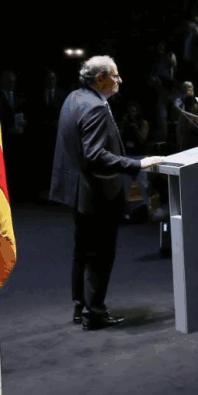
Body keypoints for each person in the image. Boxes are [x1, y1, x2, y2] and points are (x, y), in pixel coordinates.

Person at [49, 56, 165, 330]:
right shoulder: (96, 109)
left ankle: (81, 306)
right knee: (100, 255)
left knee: (82, 251)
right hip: (97, 193)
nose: (119, 80)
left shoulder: (74, 98)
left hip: (78, 191)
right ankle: (95, 314)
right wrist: (137, 164)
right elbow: (96, 155)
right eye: (114, 76)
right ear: (99, 79)